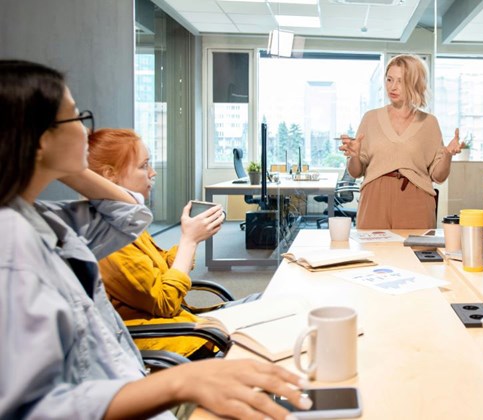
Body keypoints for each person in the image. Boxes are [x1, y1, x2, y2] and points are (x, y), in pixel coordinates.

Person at [0, 60, 311, 418]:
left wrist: (69, 166)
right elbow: (31, 409)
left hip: (131, 375)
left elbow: (128, 215)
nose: (86, 132)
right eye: (76, 118)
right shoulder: (12, 244)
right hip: (148, 375)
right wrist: (181, 383)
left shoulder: (44, 219)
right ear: (40, 138)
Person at [88, 128, 238, 359]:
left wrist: (191, 236)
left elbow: (163, 267)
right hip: (169, 338)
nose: (153, 172)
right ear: (110, 174)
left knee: (266, 307)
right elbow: (165, 302)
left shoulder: (124, 220)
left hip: (182, 325)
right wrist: (189, 241)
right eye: (143, 166)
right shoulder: (109, 238)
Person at [339, 54, 462, 229]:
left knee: (415, 254)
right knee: (374, 254)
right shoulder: (370, 118)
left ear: (414, 83)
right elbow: (355, 172)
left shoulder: (429, 123)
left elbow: (438, 176)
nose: (393, 87)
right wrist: (354, 156)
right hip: (375, 199)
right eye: (389, 79)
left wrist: (448, 155)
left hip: (416, 201)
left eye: (400, 81)